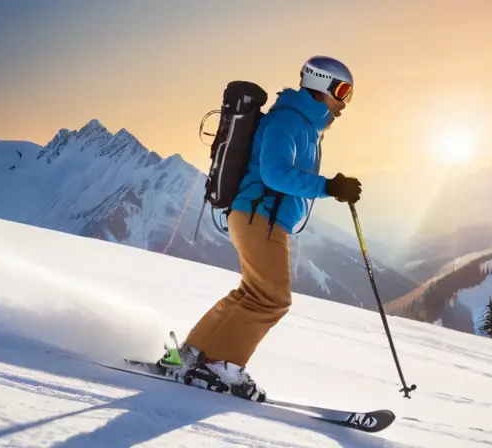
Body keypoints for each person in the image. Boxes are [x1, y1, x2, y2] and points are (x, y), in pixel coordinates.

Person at [156, 56, 363, 401]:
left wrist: (332, 187)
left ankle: (187, 356)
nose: (344, 102)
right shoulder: (289, 121)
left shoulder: (305, 125)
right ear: (319, 86)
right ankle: (221, 364)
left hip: (258, 217)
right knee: (272, 299)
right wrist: (329, 187)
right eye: (342, 91)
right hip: (260, 217)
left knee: (249, 295)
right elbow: (274, 174)